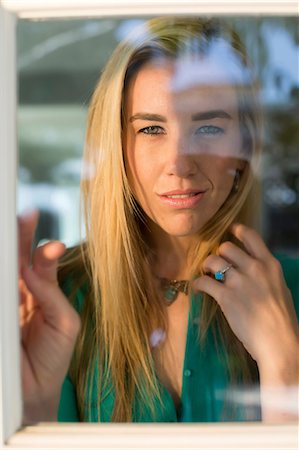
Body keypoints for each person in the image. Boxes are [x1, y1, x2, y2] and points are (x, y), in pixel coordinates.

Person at [19, 16, 299, 424]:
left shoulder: (290, 289)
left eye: (207, 125)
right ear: (116, 145)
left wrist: (284, 363)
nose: (179, 164)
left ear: (245, 144)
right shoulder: (58, 298)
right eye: (151, 128)